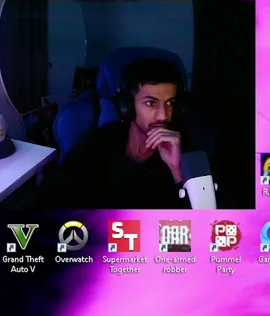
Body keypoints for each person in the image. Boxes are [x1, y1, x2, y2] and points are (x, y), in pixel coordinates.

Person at [57, 57, 189, 209]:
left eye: (169, 103)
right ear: (127, 106)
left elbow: (197, 218)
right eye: (151, 103)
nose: (163, 116)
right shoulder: (97, 144)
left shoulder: (183, 149)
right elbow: (57, 198)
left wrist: (177, 170)